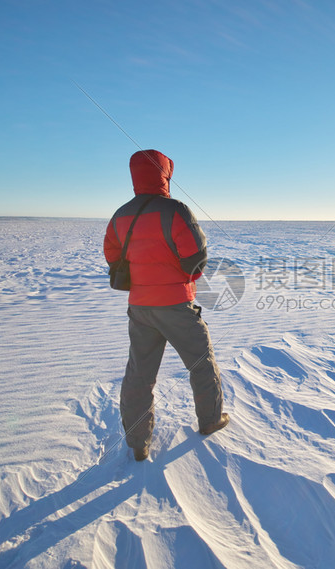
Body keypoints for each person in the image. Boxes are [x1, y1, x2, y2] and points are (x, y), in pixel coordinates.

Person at [104, 149, 229, 461]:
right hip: (175, 305)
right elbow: (196, 260)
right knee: (202, 362)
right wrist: (178, 277)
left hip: (140, 307)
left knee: (139, 374)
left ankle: (138, 442)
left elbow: (112, 255)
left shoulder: (120, 214)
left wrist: (143, 276)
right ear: (165, 173)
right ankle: (210, 420)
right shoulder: (175, 210)